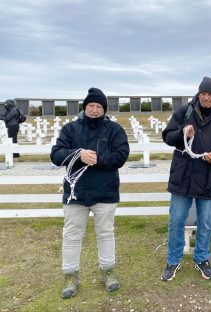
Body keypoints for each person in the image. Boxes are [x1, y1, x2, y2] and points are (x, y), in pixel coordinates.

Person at [50, 87, 130, 299]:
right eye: (91, 105)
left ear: (104, 109)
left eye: (98, 106)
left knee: (105, 233)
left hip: (105, 192)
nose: (94, 110)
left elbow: (122, 155)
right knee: (72, 235)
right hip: (76, 193)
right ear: (85, 107)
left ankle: (107, 271)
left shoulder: (114, 130)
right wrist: (78, 155)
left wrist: (99, 160)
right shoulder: (70, 129)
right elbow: (56, 155)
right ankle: (70, 276)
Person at [161, 77, 211, 281]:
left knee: (205, 222)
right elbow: (167, 136)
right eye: (203, 93)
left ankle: (202, 259)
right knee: (176, 220)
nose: (206, 97)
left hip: (208, 177)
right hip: (182, 176)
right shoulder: (184, 112)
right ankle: (173, 260)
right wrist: (182, 133)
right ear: (198, 93)